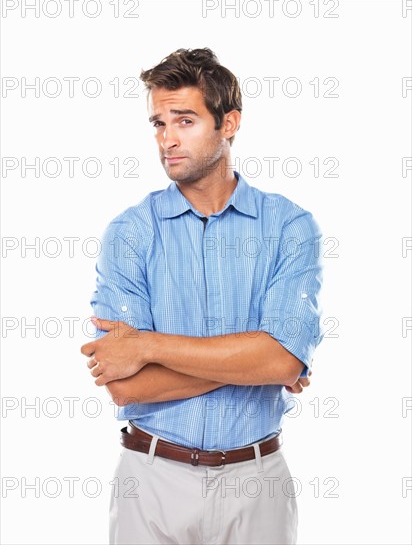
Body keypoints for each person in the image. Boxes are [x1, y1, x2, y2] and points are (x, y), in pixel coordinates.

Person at [81, 48, 323, 545]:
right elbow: (127, 388)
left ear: (228, 123)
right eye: (158, 123)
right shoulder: (129, 234)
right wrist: (258, 363)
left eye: (184, 121)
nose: (166, 139)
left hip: (257, 483)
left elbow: (279, 362)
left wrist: (147, 346)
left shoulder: (289, 227)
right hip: (150, 480)